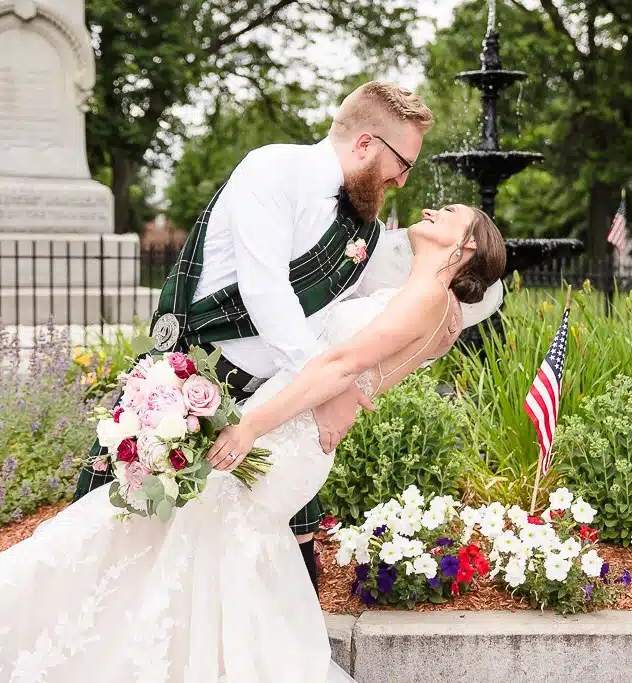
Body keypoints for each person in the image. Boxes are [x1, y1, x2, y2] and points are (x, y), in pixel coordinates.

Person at [0, 203, 506, 683]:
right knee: (166, 539)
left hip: (276, 434)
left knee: (130, 520)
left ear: (466, 244)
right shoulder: (440, 310)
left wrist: (250, 428)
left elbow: (344, 367)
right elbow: (365, 380)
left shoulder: (428, 297)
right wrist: (332, 409)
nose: (434, 210)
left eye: (450, 215)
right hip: (292, 433)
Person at [70, 81, 449, 593]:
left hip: (272, 412)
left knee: (257, 583)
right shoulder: (272, 171)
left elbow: (405, 302)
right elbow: (266, 293)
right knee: (111, 546)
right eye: (403, 164)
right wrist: (331, 386)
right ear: (365, 145)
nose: (402, 181)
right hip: (185, 386)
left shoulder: (363, 226)